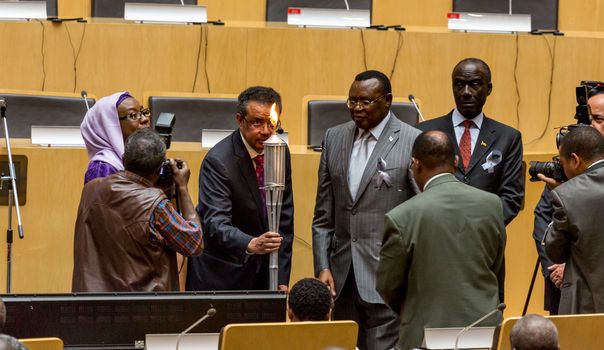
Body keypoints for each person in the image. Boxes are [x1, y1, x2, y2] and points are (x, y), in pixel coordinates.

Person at [312, 70, 421, 350]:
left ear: (387, 101)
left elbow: (422, 211)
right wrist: (322, 265)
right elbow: (324, 214)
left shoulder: (412, 140)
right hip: (341, 277)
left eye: (366, 102)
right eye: (352, 102)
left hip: (387, 276)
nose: (357, 109)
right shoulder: (334, 137)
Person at [376, 130, 505, 350]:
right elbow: (495, 265)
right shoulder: (492, 205)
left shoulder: (401, 217)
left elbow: (388, 285)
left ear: (415, 164)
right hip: (482, 329)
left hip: (426, 333)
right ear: (456, 162)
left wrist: (414, 309)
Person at [416, 57, 523, 303]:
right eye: (459, 84)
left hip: (483, 249)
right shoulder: (425, 132)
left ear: (489, 89)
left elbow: (511, 198)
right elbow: (415, 190)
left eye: (474, 84)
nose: (466, 92)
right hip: (435, 245)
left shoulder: (508, 137)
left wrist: (473, 229)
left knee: (483, 324)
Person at [186, 86, 294, 292]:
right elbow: (215, 222)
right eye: (256, 123)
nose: (265, 131)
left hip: (264, 272)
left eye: (271, 123)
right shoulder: (219, 161)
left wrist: (281, 276)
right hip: (223, 273)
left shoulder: (279, 151)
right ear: (239, 120)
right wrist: (250, 243)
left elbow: (285, 218)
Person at [72, 129, 203, 292]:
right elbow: (194, 244)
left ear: (123, 158)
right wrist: (182, 187)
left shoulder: (91, 189)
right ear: (159, 169)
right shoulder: (156, 204)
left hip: (92, 303)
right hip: (139, 308)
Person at [533, 86, 604, 314]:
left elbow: (557, 244)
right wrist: (558, 269)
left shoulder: (567, 190)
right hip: (571, 288)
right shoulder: (564, 180)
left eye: (598, 119)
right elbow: (542, 218)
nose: (589, 125)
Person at [543, 126, 604, 346]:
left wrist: (563, 193)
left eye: (563, 162)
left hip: (592, 313)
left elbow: (555, 250)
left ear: (575, 160)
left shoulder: (567, 195)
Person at [80, 91, 151, 184]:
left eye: (143, 112)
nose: (145, 119)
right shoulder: (102, 168)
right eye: (133, 115)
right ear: (110, 126)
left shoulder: (137, 159)